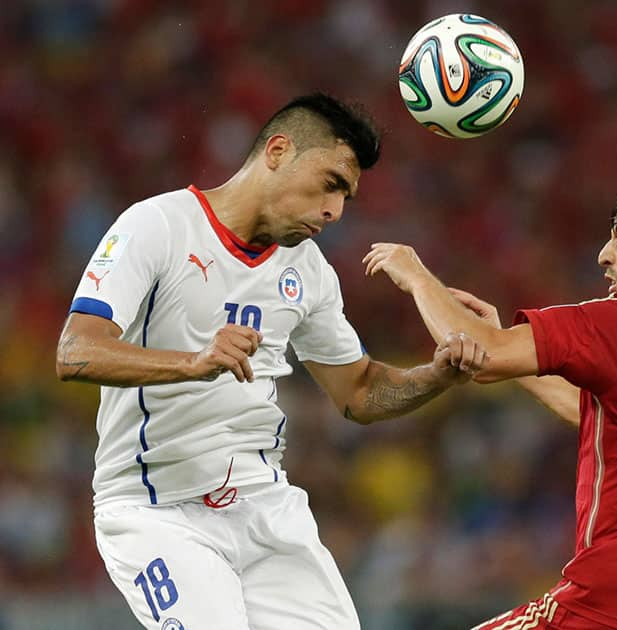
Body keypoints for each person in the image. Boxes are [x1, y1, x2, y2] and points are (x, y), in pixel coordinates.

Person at [56, 92, 488, 630]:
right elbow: (74, 351)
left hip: (264, 505)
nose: (335, 211)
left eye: (347, 197)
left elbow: (358, 393)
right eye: (331, 184)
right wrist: (190, 363)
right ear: (279, 151)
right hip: (157, 509)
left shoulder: (308, 271)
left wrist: (438, 375)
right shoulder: (158, 225)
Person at [364, 155, 617, 629]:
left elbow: (478, 354)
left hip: (611, 611)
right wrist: (520, 365)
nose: (604, 255)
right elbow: (613, 418)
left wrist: (414, 275)